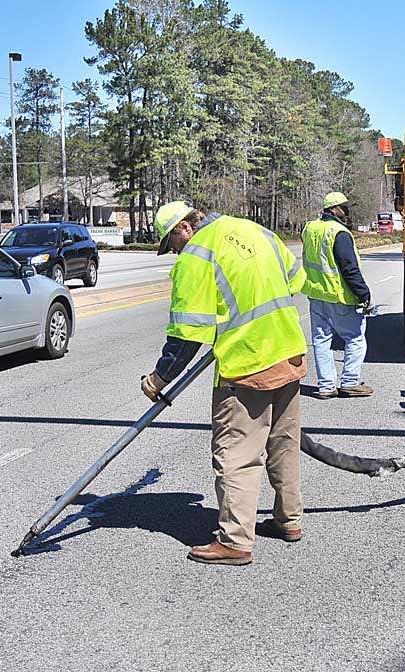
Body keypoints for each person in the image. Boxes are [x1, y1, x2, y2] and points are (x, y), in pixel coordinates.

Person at [140, 201, 307, 566]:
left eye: (172, 244)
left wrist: (159, 378)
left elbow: (186, 335)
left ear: (184, 228)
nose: (175, 252)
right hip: (288, 349)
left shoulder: (197, 255)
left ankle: (234, 541)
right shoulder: (252, 229)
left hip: (247, 364)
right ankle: (288, 520)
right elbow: (295, 279)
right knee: (283, 444)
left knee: (236, 454)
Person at [301, 191, 373, 399]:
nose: (347, 211)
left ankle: (326, 386)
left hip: (316, 294)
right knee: (355, 338)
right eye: (344, 207)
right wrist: (363, 293)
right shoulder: (339, 233)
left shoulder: (310, 228)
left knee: (321, 340)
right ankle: (350, 382)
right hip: (339, 296)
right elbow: (349, 268)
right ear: (334, 209)